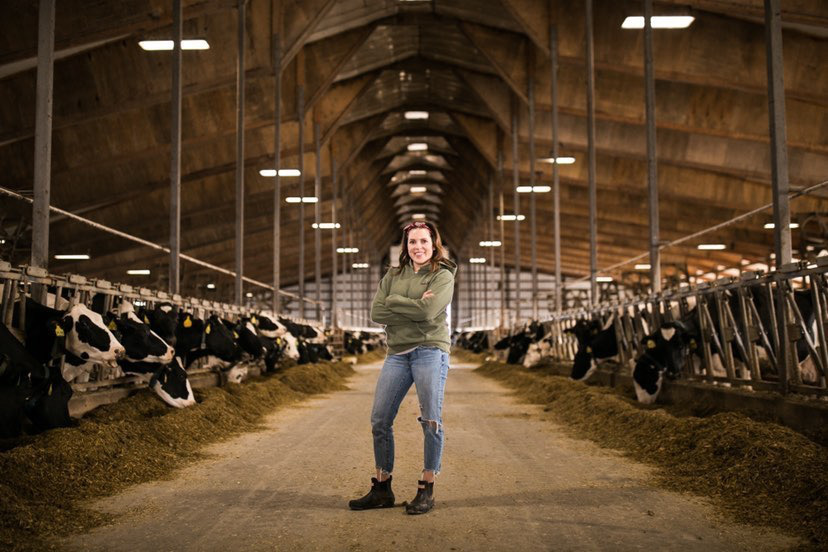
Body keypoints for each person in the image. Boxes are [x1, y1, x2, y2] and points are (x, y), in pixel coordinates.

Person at [348, 220, 457, 515]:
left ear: (434, 244)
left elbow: (430, 311)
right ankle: (382, 487)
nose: (418, 247)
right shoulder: (393, 275)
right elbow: (376, 312)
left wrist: (396, 304)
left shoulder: (443, 275)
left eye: (424, 241)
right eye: (412, 242)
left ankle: (427, 485)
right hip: (397, 353)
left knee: (431, 419)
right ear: (405, 246)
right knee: (380, 419)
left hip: (430, 351)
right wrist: (409, 305)